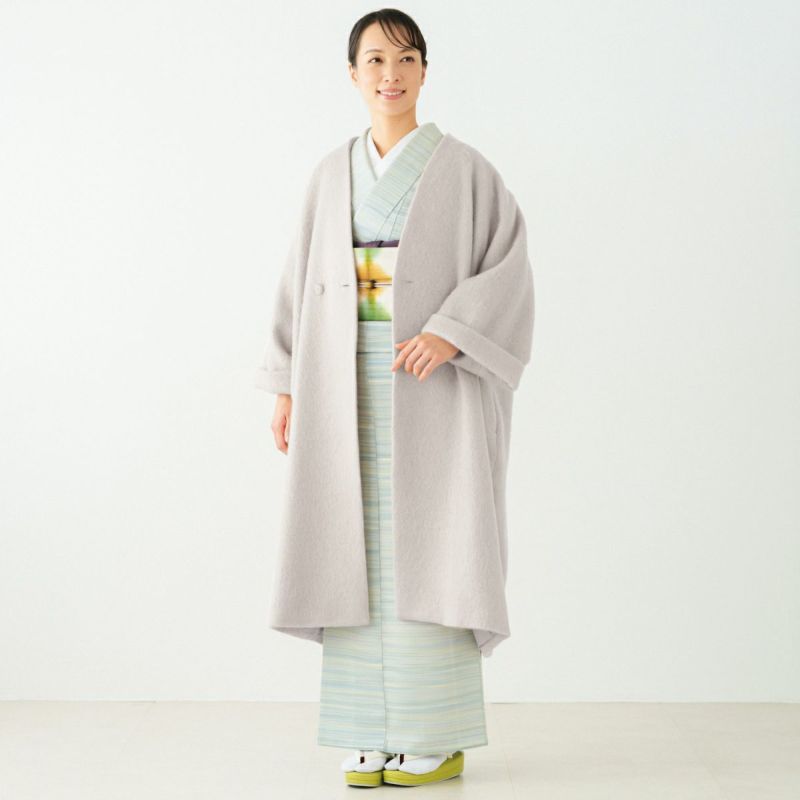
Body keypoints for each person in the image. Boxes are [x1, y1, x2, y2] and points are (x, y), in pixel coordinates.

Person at [254, 8, 535, 789]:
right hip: (341, 379)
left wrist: (451, 331)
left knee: (435, 541)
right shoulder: (329, 175)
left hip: (431, 382)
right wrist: (286, 383)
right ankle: (366, 731)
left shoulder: (466, 170)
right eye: (375, 60)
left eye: (406, 58)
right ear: (352, 74)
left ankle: (434, 735)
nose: (391, 74)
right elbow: (297, 281)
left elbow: (510, 267)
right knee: (352, 545)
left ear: (424, 71)